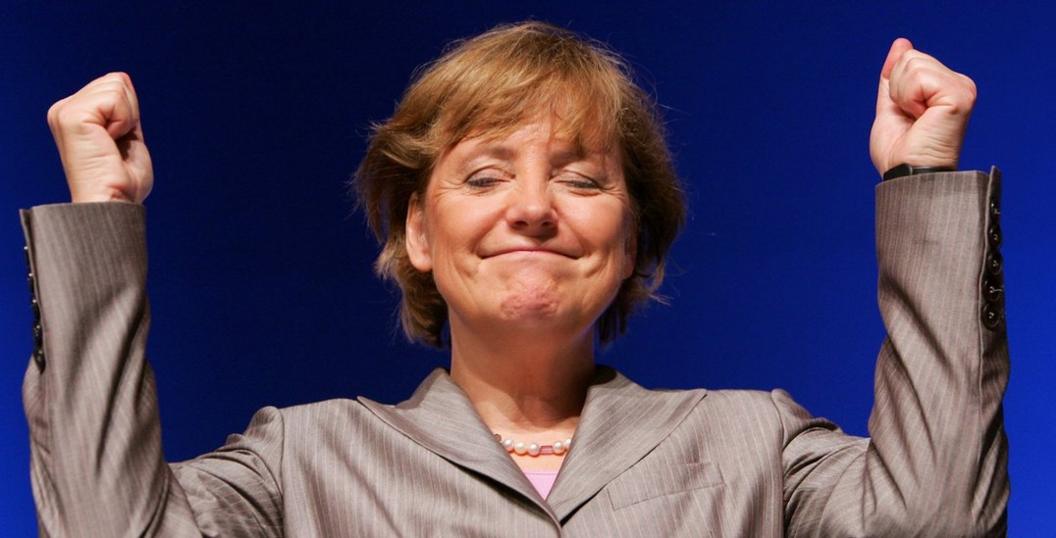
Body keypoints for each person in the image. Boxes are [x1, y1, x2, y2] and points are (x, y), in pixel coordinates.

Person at [21, 21, 1008, 536]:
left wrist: (921, 181)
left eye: (581, 178)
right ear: (418, 229)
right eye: (484, 175)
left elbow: (938, 522)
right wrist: (102, 216)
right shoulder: (301, 462)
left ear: (630, 240)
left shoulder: (754, 445)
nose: (533, 208)